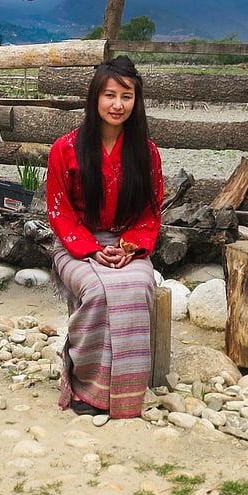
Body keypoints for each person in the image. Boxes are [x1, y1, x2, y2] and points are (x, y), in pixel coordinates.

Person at [46, 55, 164, 418]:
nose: (117, 105)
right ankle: (85, 385)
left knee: (136, 288)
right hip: (76, 244)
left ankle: (125, 394)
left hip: (128, 244)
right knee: (97, 292)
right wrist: (93, 249)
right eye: (110, 95)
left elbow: (150, 212)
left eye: (126, 96)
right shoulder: (64, 149)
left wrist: (128, 248)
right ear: (95, 98)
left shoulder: (146, 153)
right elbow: (60, 211)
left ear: (136, 101)